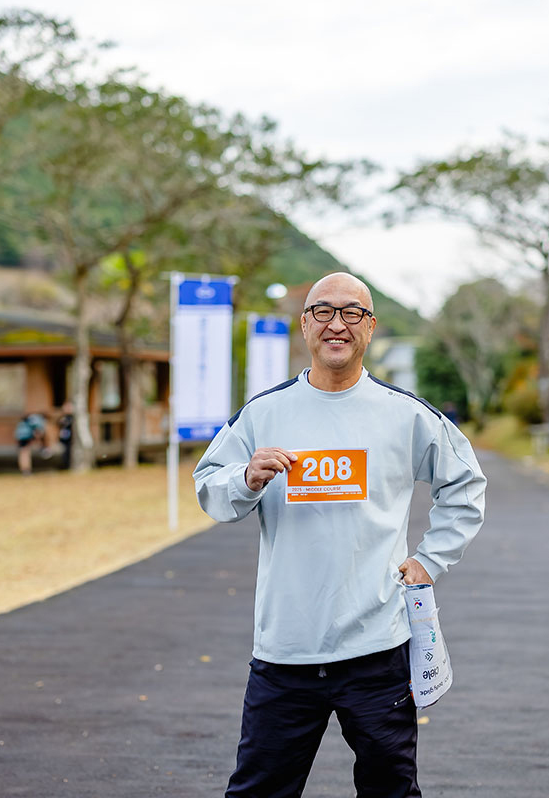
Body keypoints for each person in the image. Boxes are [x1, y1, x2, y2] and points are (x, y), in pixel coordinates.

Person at [194, 273, 487, 798]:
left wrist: (430, 560)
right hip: (285, 649)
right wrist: (245, 478)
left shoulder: (405, 413)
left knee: (390, 791)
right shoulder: (264, 412)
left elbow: (466, 484)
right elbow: (209, 487)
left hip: (377, 647)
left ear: (370, 327)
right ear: (304, 324)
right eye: (323, 311)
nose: (337, 324)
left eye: (352, 313)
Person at [57, 401, 74, 470]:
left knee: (69, 452)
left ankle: (68, 465)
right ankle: (64, 465)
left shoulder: (73, 418)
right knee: (64, 453)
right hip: (64, 438)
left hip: (70, 438)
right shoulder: (63, 417)